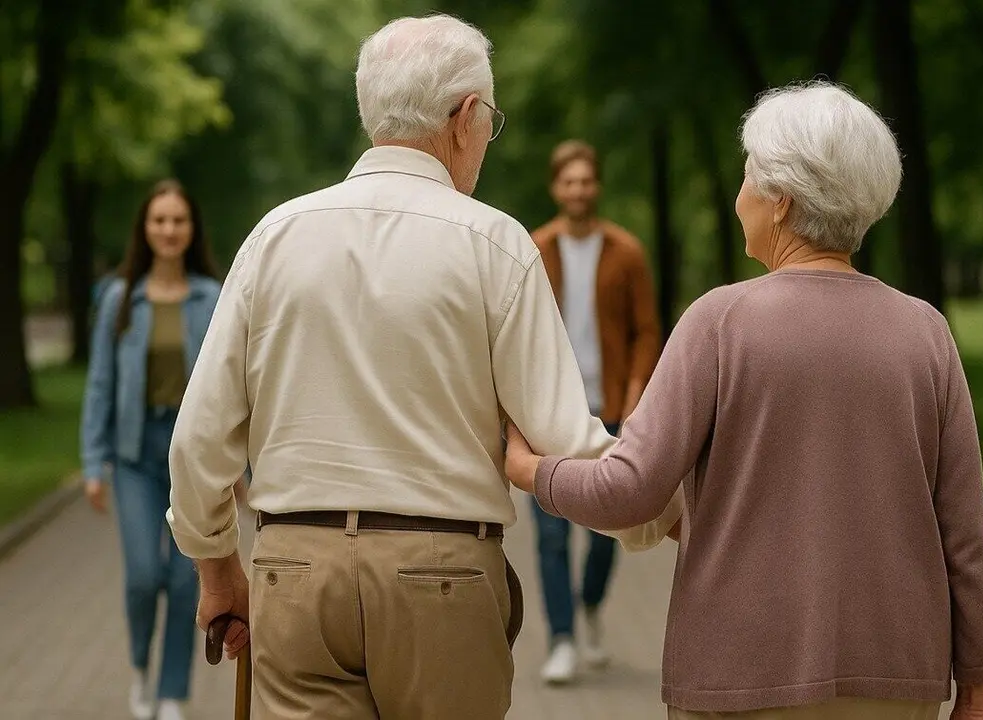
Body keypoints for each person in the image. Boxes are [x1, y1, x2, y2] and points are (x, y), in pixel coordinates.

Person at [164, 14, 680, 719]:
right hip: (442, 575)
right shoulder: (494, 244)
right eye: (490, 121)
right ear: (465, 117)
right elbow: (565, 438)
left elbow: (199, 439)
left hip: (294, 570)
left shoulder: (274, 238)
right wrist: (670, 512)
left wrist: (215, 563)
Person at [505, 81, 983, 720]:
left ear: (780, 202)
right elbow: (965, 533)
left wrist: (529, 469)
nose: (739, 199)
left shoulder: (719, 321)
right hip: (898, 676)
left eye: (747, 180)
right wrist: (978, 687)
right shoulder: (926, 331)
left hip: (739, 674)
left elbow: (631, 489)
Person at [80, 179, 222, 720]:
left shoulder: (211, 298)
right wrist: (95, 464)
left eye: (178, 220)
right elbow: (99, 384)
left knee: (190, 582)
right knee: (144, 576)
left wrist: (240, 468)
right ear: (144, 228)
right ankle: (140, 665)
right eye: (159, 220)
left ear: (191, 229)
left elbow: (230, 386)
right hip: (136, 457)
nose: (168, 229)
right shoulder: (120, 297)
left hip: (191, 459)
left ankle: (170, 695)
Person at [527, 139, 662, 683]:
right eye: (569, 181)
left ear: (596, 185)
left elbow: (646, 331)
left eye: (587, 180)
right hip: (552, 413)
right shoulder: (535, 249)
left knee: (612, 527)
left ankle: (590, 607)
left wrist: (634, 400)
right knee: (552, 533)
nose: (578, 190)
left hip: (609, 409)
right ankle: (561, 640)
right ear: (556, 187)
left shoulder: (625, 252)